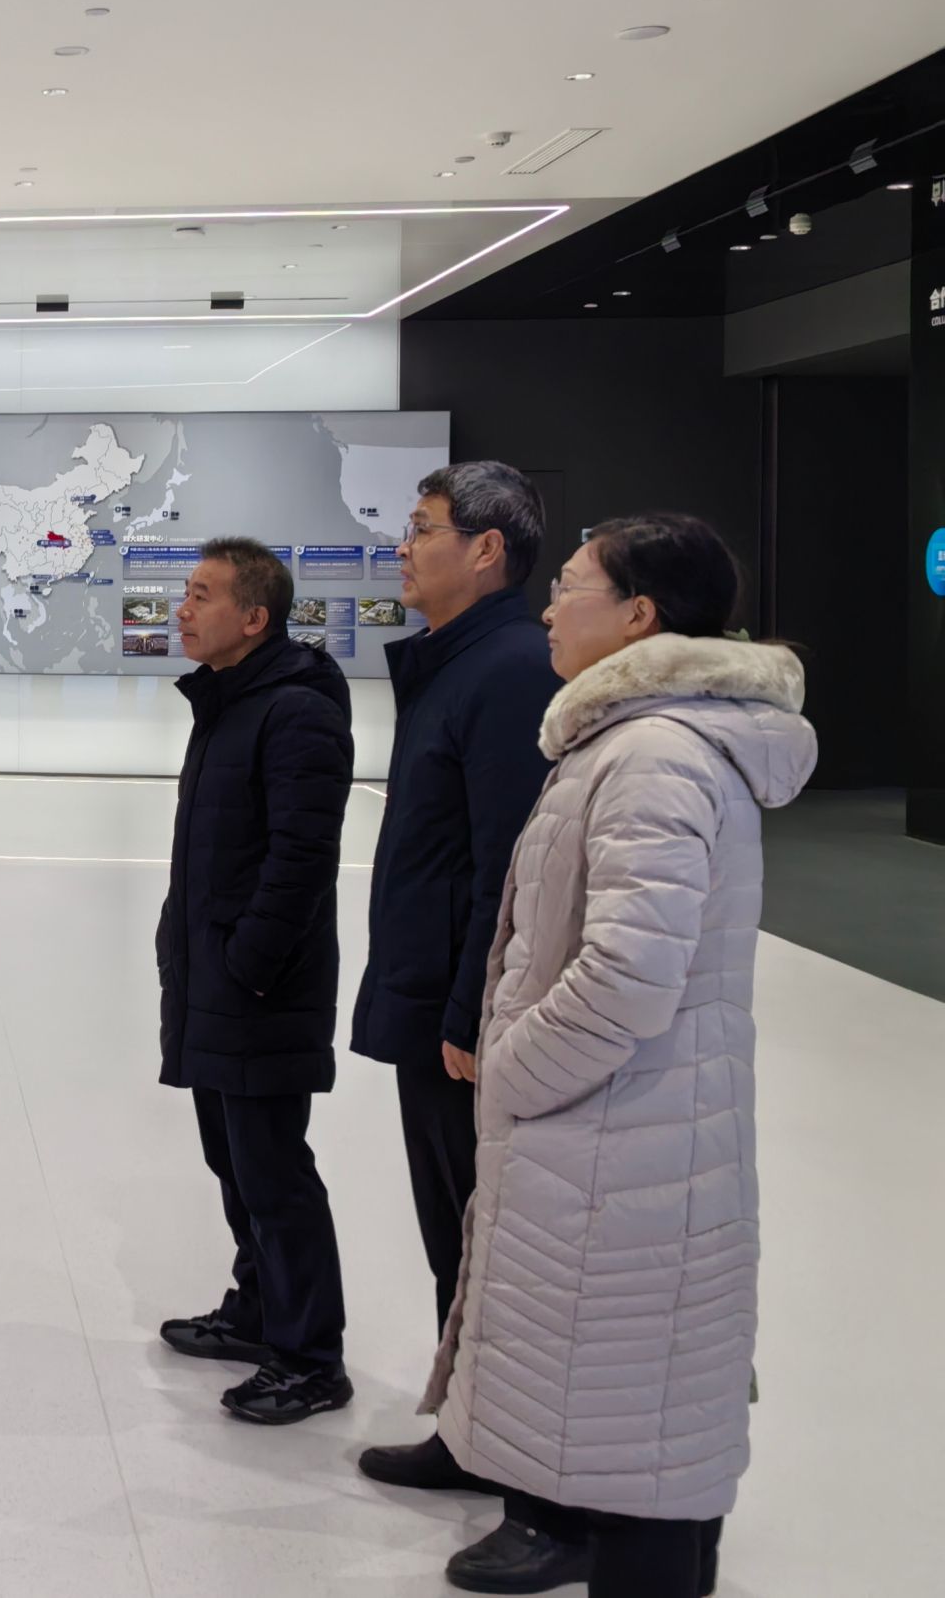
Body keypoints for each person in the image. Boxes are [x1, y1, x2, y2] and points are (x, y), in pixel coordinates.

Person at [397, 514, 816, 1596]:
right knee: (637, 1429)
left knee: (637, 1455)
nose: (548, 606)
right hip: (626, 1132)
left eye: (570, 587)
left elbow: (629, 973)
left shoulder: (654, 756)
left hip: (621, 1139)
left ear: (637, 616)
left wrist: (515, 1069)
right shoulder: (627, 740)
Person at [351, 463, 562, 1494]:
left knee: (482, 1237)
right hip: (431, 998)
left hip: (457, 1020)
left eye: (422, 527)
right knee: (454, 1234)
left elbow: (506, 870)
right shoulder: (458, 663)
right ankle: (473, 1428)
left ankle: (505, 1451)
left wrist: (469, 1015)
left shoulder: (509, 670)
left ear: (485, 550)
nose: (402, 546)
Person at [153, 537, 356, 1425]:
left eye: (202, 595)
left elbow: (302, 860)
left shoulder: (295, 711)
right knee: (233, 1161)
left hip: (260, 986)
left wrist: (249, 964)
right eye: (186, 592)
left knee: (274, 1171)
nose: (183, 609)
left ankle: (311, 1357)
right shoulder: (230, 701)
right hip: (216, 974)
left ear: (254, 617)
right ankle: (260, 1311)